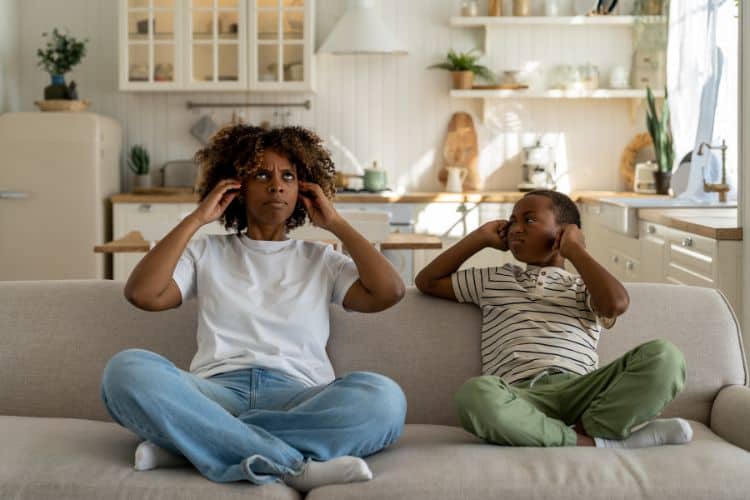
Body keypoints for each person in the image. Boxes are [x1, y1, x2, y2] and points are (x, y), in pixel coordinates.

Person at [100, 125, 407, 491]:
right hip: (214, 395)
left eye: (288, 176)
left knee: (384, 399)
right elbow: (143, 294)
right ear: (236, 189)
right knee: (126, 370)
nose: (276, 185)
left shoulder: (321, 259)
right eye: (262, 174)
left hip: (298, 396)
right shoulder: (206, 252)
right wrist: (196, 218)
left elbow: (390, 292)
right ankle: (292, 465)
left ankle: (193, 444)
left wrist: (336, 223)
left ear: (303, 191)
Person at [415, 190, 692, 449]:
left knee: (666, 356)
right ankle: (593, 442)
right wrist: (479, 237)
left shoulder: (584, 286)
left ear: (564, 233)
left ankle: (586, 429)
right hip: (520, 397)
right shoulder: (495, 279)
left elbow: (616, 304)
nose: (516, 227)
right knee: (474, 394)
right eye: (512, 221)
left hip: (582, 393)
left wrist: (576, 251)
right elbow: (427, 281)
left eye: (530, 219)